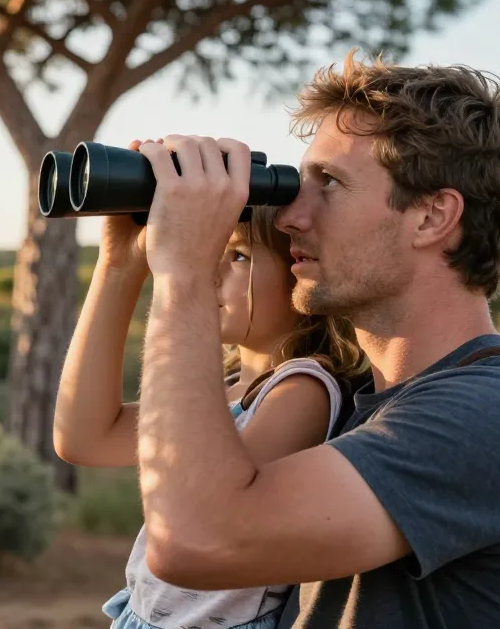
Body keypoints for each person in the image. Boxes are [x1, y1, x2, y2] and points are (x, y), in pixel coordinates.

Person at [128, 52, 500, 629]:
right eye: (299, 183)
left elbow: (195, 541)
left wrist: (185, 272)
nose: (289, 216)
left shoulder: (499, 416)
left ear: (431, 217)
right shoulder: (360, 401)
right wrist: (123, 262)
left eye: (330, 184)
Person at [53, 138, 370, 629]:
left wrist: (183, 267)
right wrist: (119, 264)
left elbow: (211, 527)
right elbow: (83, 438)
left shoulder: (303, 388)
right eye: (210, 250)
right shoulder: (224, 389)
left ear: (300, 267)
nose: (211, 266)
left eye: (239, 255)